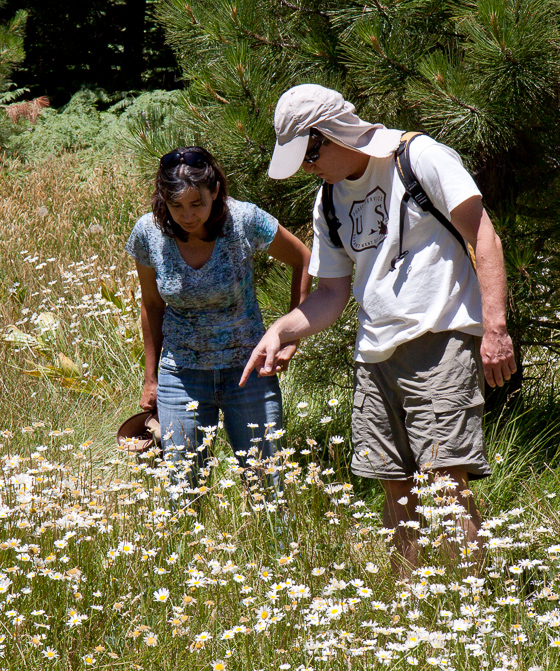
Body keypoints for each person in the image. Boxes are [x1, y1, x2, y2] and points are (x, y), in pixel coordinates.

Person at [241, 84, 517, 575]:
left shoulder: (419, 157)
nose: (307, 169)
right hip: (373, 354)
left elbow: (483, 234)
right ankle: (410, 605)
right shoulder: (327, 200)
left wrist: (494, 328)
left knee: (445, 481)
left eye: (307, 156)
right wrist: (284, 331)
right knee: (392, 482)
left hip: (441, 337)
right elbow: (331, 293)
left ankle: (471, 604)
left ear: (328, 135)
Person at [125, 145, 311, 482]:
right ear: (162, 200)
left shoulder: (244, 221)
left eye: (197, 204)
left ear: (215, 192)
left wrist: (290, 336)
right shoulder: (148, 233)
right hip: (180, 374)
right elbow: (152, 305)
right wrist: (150, 379)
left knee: (266, 483)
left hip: (249, 370)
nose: (188, 215)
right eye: (176, 205)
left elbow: (303, 258)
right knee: (183, 488)